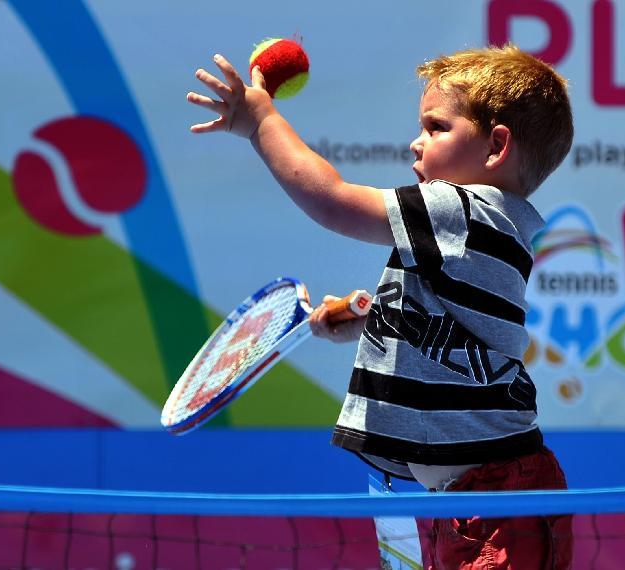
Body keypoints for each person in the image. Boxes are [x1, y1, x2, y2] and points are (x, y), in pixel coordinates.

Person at [187, 44, 574, 569]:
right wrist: (368, 318)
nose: (416, 144)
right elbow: (447, 329)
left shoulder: (461, 209)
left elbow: (332, 199)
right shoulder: (474, 231)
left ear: (495, 146)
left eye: (436, 127)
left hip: (497, 504)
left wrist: (261, 121)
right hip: (469, 500)